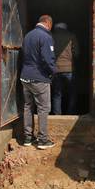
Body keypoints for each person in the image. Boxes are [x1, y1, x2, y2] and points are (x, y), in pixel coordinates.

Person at [20, 14, 56, 149]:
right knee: (43, 108)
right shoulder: (46, 37)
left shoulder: (28, 36)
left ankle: (28, 138)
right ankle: (43, 140)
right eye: (50, 26)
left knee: (28, 107)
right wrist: (53, 72)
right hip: (39, 78)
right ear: (48, 23)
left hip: (25, 77)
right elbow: (48, 59)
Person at [51, 22, 80, 115]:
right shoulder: (71, 36)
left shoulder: (51, 36)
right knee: (72, 93)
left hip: (56, 69)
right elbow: (77, 53)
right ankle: (71, 113)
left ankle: (57, 114)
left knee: (57, 94)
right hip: (69, 69)